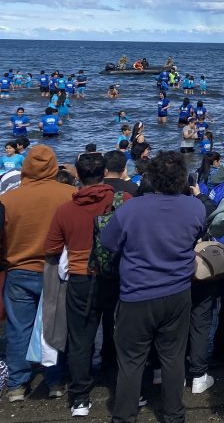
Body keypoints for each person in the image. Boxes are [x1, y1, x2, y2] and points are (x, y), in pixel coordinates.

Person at [100, 151, 206, 423]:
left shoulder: (130, 209)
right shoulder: (195, 207)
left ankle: (124, 416)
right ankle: (174, 414)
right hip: (177, 292)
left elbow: (108, 242)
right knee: (173, 358)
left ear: (150, 177)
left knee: (131, 360)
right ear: (182, 179)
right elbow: (197, 234)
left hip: (137, 293)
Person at [44, 151, 119, 416]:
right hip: (115, 276)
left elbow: (51, 247)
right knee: (121, 334)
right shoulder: (120, 202)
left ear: (78, 175)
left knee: (80, 339)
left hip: (80, 278)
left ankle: (80, 399)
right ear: (105, 172)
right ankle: (126, 387)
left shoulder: (65, 210)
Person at [1, 144, 76, 401]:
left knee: (17, 328)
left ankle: (17, 385)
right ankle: (55, 381)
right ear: (53, 166)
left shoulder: (8, 199)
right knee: (54, 326)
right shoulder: (69, 194)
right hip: (55, 270)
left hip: (18, 269)